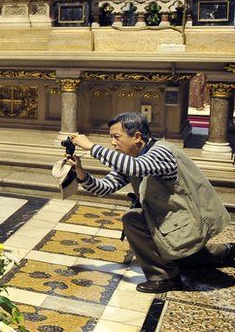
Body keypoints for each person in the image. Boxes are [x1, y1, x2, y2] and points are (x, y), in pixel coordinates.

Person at [65, 112, 233, 293]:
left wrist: (91, 147)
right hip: (171, 220)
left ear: (137, 137)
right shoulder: (132, 159)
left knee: (138, 223)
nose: (113, 143)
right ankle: (227, 252)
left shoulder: (161, 152)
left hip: (193, 221)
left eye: (116, 137)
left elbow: (136, 168)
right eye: (111, 137)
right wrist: (81, 173)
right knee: (141, 226)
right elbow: (104, 188)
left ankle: (166, 277)